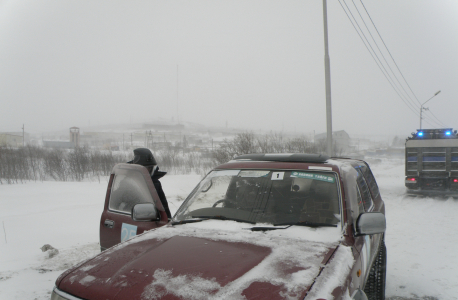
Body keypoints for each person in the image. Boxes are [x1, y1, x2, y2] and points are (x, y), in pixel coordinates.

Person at [127, 148, 172, 219]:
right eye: (144, 169)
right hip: (134, 220)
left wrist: (168, 219)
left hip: (154, 220)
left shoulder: (155, 183)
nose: (147, 171)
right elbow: (120, 204)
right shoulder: (128, 182)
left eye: (149, 168)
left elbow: (163, 205)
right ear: (136, 169)